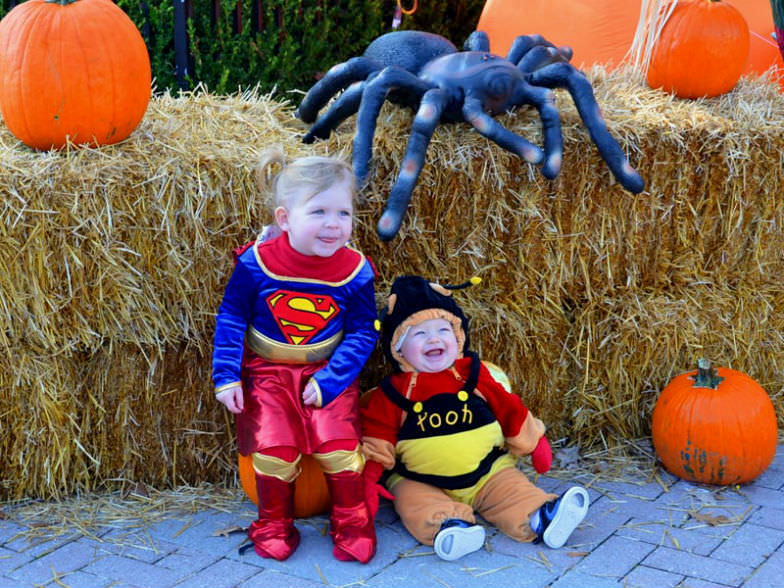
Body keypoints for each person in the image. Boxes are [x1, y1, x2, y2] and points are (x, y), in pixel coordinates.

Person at [212, 148, 379, 563]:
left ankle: (352, 523)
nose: (333, 224)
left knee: (340, 448)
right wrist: (227, 376)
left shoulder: (355, 269)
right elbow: (232, 318)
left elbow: (361, 331)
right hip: (267, 371)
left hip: (328, 371)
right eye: (319, 211)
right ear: (285, 219)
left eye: (344, 213)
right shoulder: (257, 264)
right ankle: (272, 524)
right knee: (274, 451)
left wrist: (332, 380)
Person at [360, 275, 590, 561]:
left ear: (457, 337)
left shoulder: (473, 374)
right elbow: (377, 441)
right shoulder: (393, 393)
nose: (433, 339)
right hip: (420, 479)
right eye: (419, 334)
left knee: (512, 488)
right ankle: (449, 526)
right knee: (413, 502)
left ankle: (540, 518)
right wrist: (368, 484)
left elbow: (509, 408)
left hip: (487, 471)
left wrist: (534, 444)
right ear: (398, 349)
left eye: (442, 330)